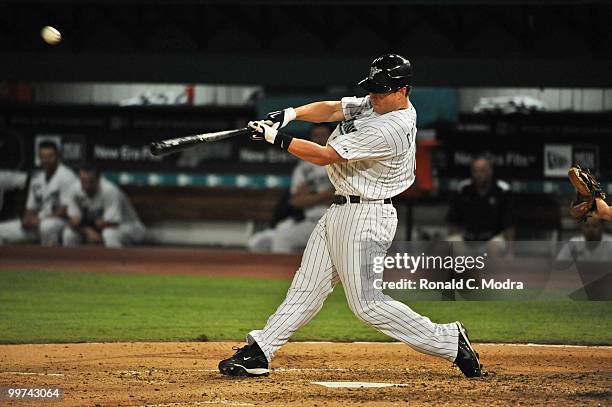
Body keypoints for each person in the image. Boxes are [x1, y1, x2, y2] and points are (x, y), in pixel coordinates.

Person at [218, 54, 482, 378]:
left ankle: (450, 341)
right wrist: (289, 114)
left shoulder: (393, 127)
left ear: (403, 90)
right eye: (373, 89)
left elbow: (326, 155)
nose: (373, 96)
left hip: (367, 215)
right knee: (307, 287)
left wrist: (276, 138)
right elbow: (332, 109)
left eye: (381, 91)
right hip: (342, 209)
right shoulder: (377, 102)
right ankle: (261, 350)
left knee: (367, 305)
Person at [248, 123, 334, 253]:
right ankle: (279, 273)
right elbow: (296, 201)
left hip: (338, 221)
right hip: (312, 222)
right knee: (282, 238)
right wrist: (326, 194)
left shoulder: (341, 162)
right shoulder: (304, 167)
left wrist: (311, 195)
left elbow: (342, 197)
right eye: (315, 136)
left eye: (323, 135)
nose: (319, 139)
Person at [0, 141, 77, 245]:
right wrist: (26, 219)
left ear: (58, 156)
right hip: (38, 222)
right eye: (43, 157)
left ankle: (51, 259)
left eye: (50, 156)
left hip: (61, 222)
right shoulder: (37, 178)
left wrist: (40, 220)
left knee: (47, 226)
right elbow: (30, 208)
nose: (46, 160)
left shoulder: (67, 176)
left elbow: (65, 209)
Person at [62, 164, 146, 248]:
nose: (86, 186)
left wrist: (89, 228)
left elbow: (109, 223)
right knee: (69, 234)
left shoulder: (110, 190)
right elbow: (73, 220)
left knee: (109, 234)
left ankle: (116, 261)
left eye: (91, 182)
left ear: (99, 179)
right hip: (94, 228)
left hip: (128, 227)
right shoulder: (74, 190)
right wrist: (88, 231)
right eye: (83, 181)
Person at [447, 155, 514, 244]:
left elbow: (509, 224)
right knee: (446, 244)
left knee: (494, 247)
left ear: (490, 172)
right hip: (468, 239)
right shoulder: (463, 189)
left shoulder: (502, 190)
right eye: (475, 171)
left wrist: (510, 253)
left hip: (492, 239)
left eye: (482, 170)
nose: (479, 174)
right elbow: (453, 221)